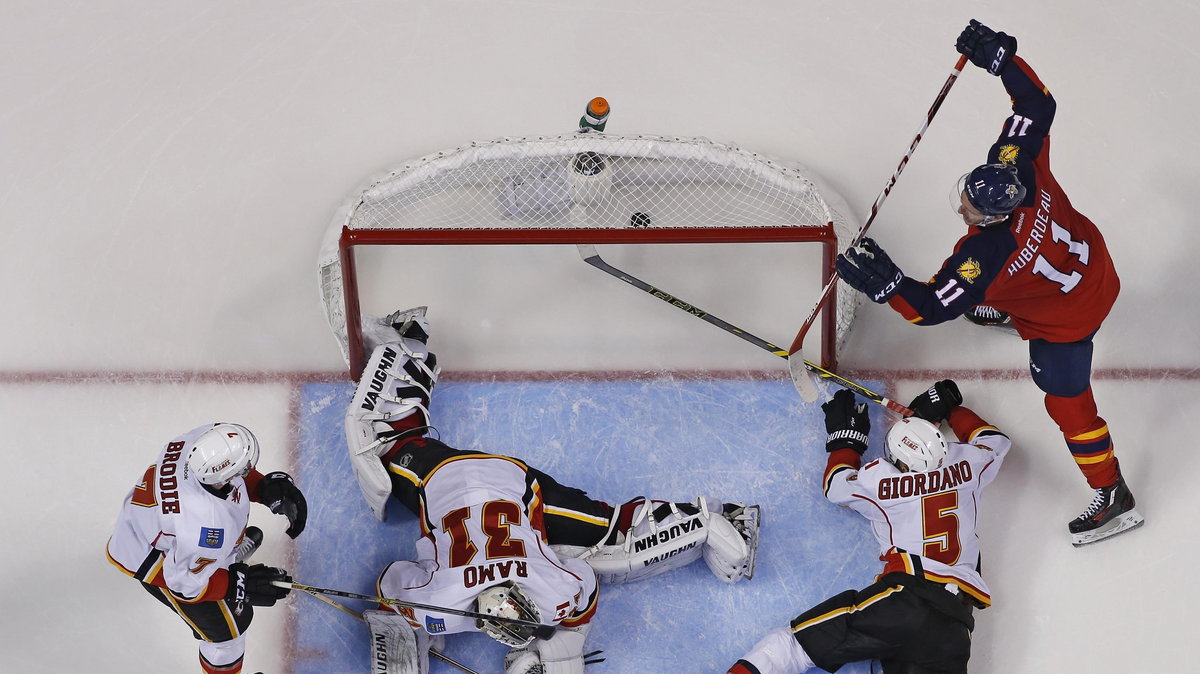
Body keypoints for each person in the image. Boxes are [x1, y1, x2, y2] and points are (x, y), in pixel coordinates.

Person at [834, 19, 1142, 546]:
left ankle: (1112, 493)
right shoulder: (1018, 164)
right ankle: (1007, 310)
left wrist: (886, 285)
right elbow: (1037, 105)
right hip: (1098, 269)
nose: (963, 206)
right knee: (997, 295)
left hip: (1067, 323)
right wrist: (1002, 60)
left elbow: (930, 308)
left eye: (970, 206)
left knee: (1066, 403)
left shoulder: (983, 257)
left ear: (989, 217)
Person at [344, 307, 762, 674]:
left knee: (609, 534)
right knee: (384, 448)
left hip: (497, 483)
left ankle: (404, 343)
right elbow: (391, 584)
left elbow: (388, 584)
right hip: (486, 480)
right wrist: (418, 624)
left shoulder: (504, 597)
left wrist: (417, 628)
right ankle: (403, 344)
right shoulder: (446, 602)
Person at [727, 380, 1008, 674]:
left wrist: (846, 442)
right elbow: (996, 441)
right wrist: (952, 409)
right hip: (953, 626)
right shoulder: (969, 463)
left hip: (906, 600)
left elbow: (836, 484)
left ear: (898, 462)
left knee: (794, 646)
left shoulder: (880, 480)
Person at [106, 423, 308, 674]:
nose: (248, 469)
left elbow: (232, 467)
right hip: (156, 559)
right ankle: (216, 565)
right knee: (229, 631)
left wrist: (263, 488)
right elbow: (184, 585)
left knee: (213, 551)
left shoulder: (197, 444)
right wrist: (237, 584)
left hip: (150, 523)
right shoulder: (206, 528)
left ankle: (221, 560)